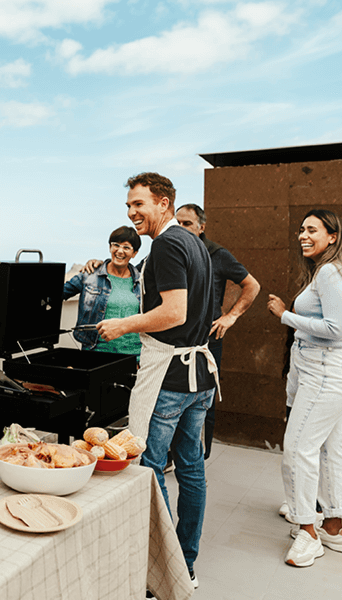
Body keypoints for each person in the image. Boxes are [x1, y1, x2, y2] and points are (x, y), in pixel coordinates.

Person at [97, 172, 217, 590]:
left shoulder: (166, 244)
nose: (132, 213)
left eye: (139, 204)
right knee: (191, 468)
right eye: (129, 206)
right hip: (199, 378)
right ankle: (186, 564)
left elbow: (174, 312)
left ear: (163, 203)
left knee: (148, 467)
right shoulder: (194, 242)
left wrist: (123, 325)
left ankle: (164, 567)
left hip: (169, 376)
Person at [267, 209, 342, 567]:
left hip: (323, 372)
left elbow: (336, 329)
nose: (303, 235)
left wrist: (285, 315)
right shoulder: (327, 271)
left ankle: (307, 533)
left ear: (332, 236)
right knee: (330, 450)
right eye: (301, 229)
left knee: (297, 450)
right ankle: (333, 525)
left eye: (312, 229)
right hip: (324, 370)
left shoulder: (328, 272)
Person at [176, 203, 261, 459]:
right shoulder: (171, 250)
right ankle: (173, 455)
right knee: (173, 399)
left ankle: (199, 458)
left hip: (207, 341)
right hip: (175, 340)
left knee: (205, 400)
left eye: (187, 224)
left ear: (201, 227)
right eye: (177, 223)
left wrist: (230, 316)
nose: (181, 228)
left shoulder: (217, 254)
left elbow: (252, 285)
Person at [63, 226, 142, 356]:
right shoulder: (89, 275)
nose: (120, 251)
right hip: (96, 353)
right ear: (110, 247)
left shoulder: (141, 281)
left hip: (134, 355)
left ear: (134, 253)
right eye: (116, 245)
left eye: (126, 247)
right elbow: (57, 294)